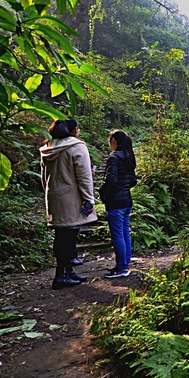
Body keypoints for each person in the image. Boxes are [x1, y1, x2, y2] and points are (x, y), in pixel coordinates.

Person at [40, 118, 97, 289]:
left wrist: (49, 193)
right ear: (73, 130)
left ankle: (66, 272)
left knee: (62, 236)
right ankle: (61, 276)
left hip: (54, 197)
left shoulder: (47, 148)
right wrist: (89, 199)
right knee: (68, 237)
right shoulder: (77, 147)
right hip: (72, 198)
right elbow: (84, 177)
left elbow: (44, 177)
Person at [98, 129, 138, 278]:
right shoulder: (128, 157)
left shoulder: (114, 158)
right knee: (125, 233)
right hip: (126, 200)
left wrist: (102, 191)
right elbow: (133, 180)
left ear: (114, 141)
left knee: (118, 236)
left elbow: (111, 180)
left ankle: (121, 268)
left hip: (115, 202)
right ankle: (125, 264)